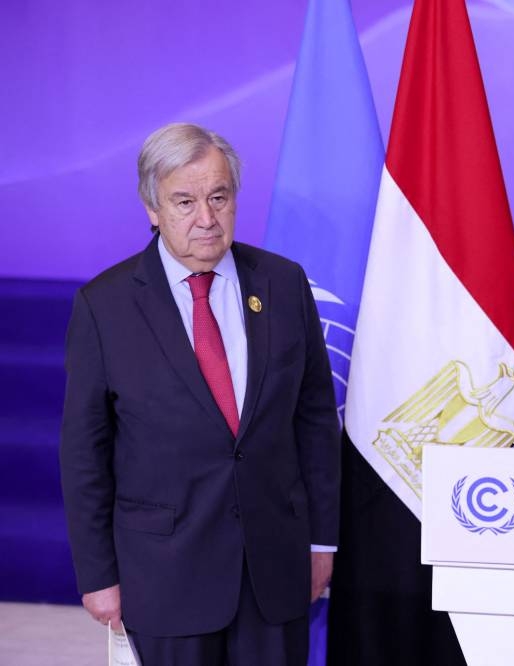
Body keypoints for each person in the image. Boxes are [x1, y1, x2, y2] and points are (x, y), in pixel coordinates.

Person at [59, 123, 341, 666]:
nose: (206, 219)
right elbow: (84, 454)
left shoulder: (282, 283)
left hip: (274, 573)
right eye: (184, 201)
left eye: (219, 197)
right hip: (164, 578)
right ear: (152, 208)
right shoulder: (106, 305)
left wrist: (320, 541)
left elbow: (314, 422)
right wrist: (98, 576)